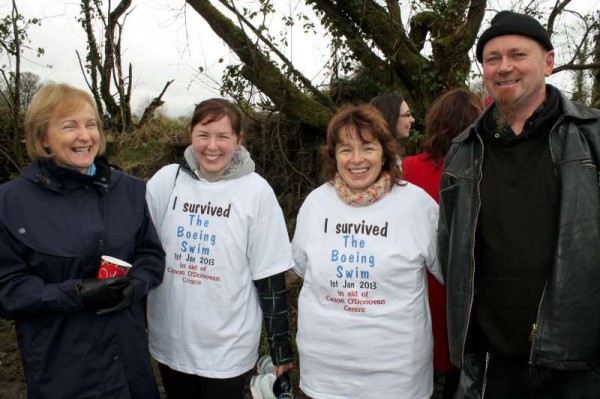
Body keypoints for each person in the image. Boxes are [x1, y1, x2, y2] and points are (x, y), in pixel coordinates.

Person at [438, 10, 600, 398]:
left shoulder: (592, 137)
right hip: (492, 359)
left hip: (579, 359)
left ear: (548, 61)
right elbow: (449, 249)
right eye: (492, 58)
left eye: (518, 55)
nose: (504, 67)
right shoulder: (463, 151)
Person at [0, 83, 165, 398]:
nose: (85, 135)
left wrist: (135, 286)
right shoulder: (10, 203)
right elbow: (7, 289)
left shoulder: (128, 190)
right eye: (69, 126)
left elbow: (150, 255)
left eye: (91, 124)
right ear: (43, 137)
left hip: (129, 365)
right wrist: (74, 294)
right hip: (63, 369)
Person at [145, 98, 294, 399]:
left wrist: (280, 348)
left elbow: (270, 277)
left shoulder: (256, 192)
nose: (212, 146)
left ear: (239, 140)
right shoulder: (167, 182)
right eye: (203, 135)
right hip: (171, 339)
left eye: (223, 136)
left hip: (227, 347)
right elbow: (143, 251)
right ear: (191, 135)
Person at [292, 103, 442, 399]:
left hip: (396, 377)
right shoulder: (315, 203)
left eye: (368, 148)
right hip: (325, 375)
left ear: (385, 151)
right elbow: (301, 267)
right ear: (333, 156)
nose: (356, 159)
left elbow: (453, 273)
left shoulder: (417, 206)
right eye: (346, 149)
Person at [402, 88, 483, 398]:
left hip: (418, 283)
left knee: (416, 363)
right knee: (457, 369)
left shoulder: (408, 168)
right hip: (459, 283)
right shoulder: (479, 168)